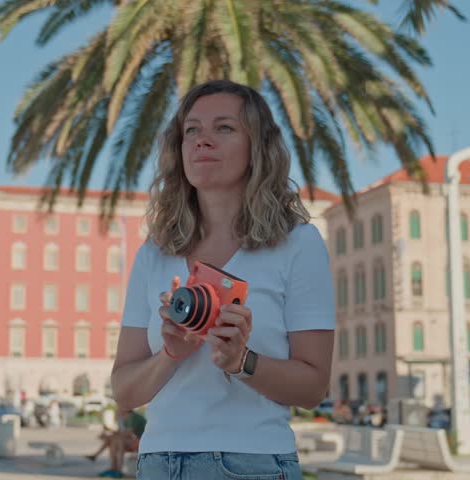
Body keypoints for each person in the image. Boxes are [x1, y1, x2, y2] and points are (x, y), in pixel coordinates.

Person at [111, 79, 334, 479]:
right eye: (191, 130)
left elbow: (313, 386)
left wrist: (240, 361)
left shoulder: (298, 244)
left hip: (252, 462)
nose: (202, 140)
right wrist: (170, 354)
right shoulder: (154, 253)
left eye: (224, 128)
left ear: (258, 148)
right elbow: (125, 391)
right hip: (158, 462)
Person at [87, 410, 147, 478]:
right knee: (114, 440)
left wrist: (109, 436)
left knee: (117, 441)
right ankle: (113, 469)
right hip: (132, 441)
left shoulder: (134, 417)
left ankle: (117, 470)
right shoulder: (123, 417)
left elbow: (127, 434)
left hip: (142, 442)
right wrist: (109, 432)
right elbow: (121, 432)